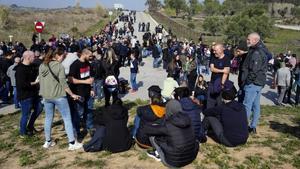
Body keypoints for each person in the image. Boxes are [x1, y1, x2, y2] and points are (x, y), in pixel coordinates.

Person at [39, 48, 83, 150]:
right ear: (58, 55)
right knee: (67, 118)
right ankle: (72, 143)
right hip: (59, 96)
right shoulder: (59, 66)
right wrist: (72, 94)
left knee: (48, 118)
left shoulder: (42, 65)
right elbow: (64, 83)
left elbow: (41, 81)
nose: (64, 58)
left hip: (46, 96)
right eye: (63, 56)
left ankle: (48, 141)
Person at [145, 100, 199, 168]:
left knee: (153, 136)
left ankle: (157, 154)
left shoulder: (169, 124)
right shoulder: (188, 120)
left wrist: (154, 125)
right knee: (174, 136)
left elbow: (148, 130)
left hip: (173, 163)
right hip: (191, 158)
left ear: (168, 109)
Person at [203, 82, 249, 147]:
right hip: (244, 139)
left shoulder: (223, 108)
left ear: (223, 96)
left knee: (209, 117)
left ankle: (200, 133)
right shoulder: (242, 106)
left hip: (229, 141)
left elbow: (206, 112)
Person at [241, 32, 268, 134]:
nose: (247, 41)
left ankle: (243, 127)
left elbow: (254, 70)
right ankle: (253, 126)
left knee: (247, 105)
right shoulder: (258, 50)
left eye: (249, 39)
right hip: (258, 83)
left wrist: (248, 82)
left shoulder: (256, 53)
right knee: (256, 105)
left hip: (253, 83)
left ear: (255, 40)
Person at [68, 49, 95, 138]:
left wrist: (91, 88)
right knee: (79, 113)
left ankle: (90, 128)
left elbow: (90, 77)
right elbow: (71, 79)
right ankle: (76, 131)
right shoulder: (75, 65)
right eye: (90, 56)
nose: (91, 57)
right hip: (78, 93)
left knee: (89, 110)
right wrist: (85, 82)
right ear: (84, 54)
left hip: (88, 92)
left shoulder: (88, 64)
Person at [15, 51, 43, 137]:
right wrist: (35, 83)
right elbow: (21, 85)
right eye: (33, 57)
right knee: (26, 114)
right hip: (25, 96)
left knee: (39, 108)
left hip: (34, 94)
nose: (35, 58)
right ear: (28, 57)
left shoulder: (32, 66)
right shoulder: (20, 69)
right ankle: (23, 133)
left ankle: (30, 126)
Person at [207, 43, 230, 108]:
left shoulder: (226, 59)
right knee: (210, 101)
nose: (214, 52)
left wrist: (222, 84)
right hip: (212, 83)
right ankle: (209, 115)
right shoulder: (213, 57)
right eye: (213, 50)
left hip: (221, 84)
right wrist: (222, 70)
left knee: (219, 102)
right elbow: (212, 69)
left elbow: (226, 73)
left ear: (220, 50)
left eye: (215, 50)